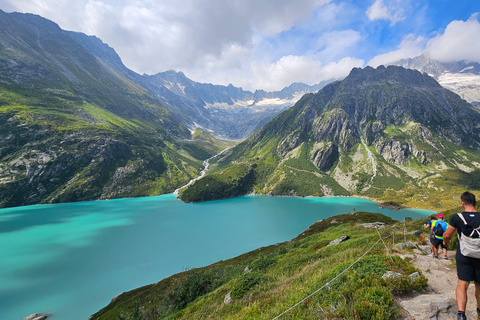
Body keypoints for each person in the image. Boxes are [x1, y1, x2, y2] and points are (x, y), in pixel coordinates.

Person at [443, 191, 480, 320]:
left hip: (464, 255)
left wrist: (445, 242)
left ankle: (461, 314)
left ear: (462, 202)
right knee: (479, 284)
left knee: (462, 284)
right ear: (475, 203)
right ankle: (479, 309)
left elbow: (447, 234)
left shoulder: (456, 217)